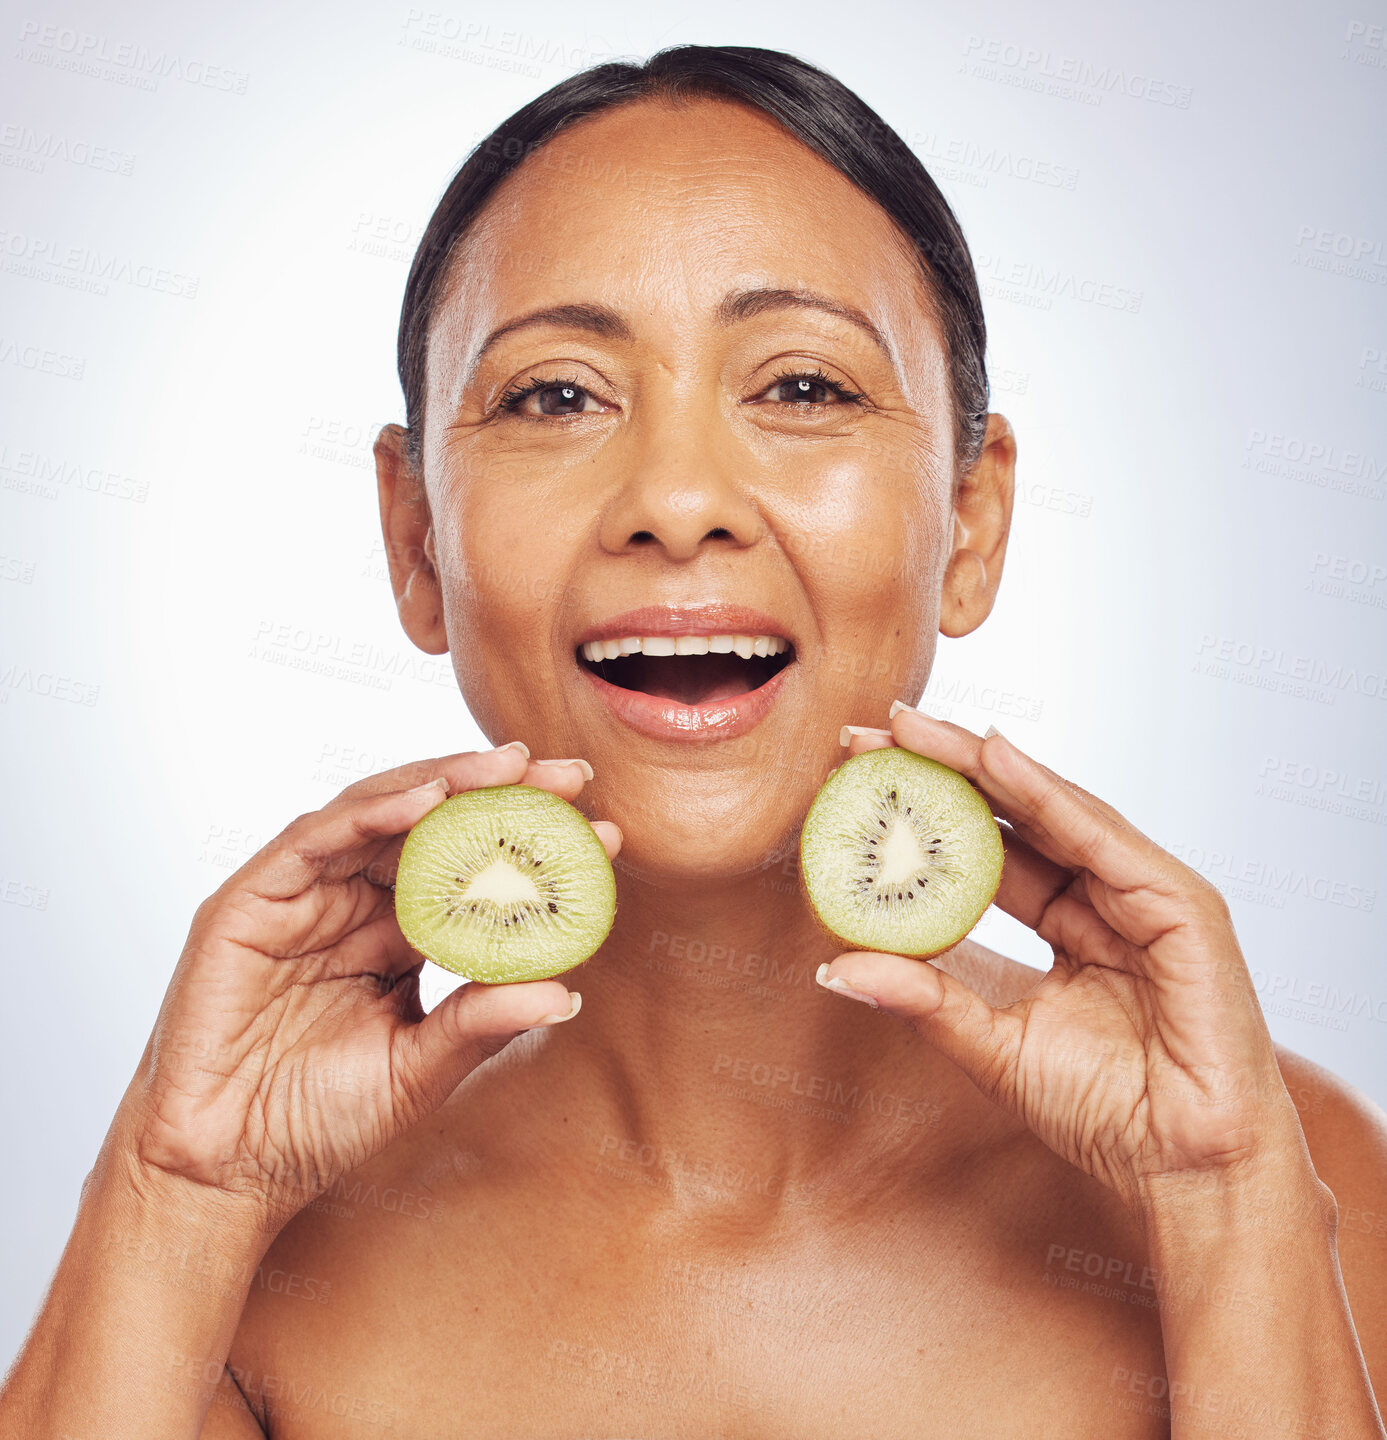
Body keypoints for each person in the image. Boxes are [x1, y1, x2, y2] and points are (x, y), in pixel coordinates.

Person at [3, 44, 1385, 1440]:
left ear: (971, 522)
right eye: (555, 396)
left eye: (801, 388)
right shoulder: (255, 1272)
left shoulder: (1282, 1180)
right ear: (415, 541)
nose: (675, 498)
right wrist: (172, 1198)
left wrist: (1225, 1204)